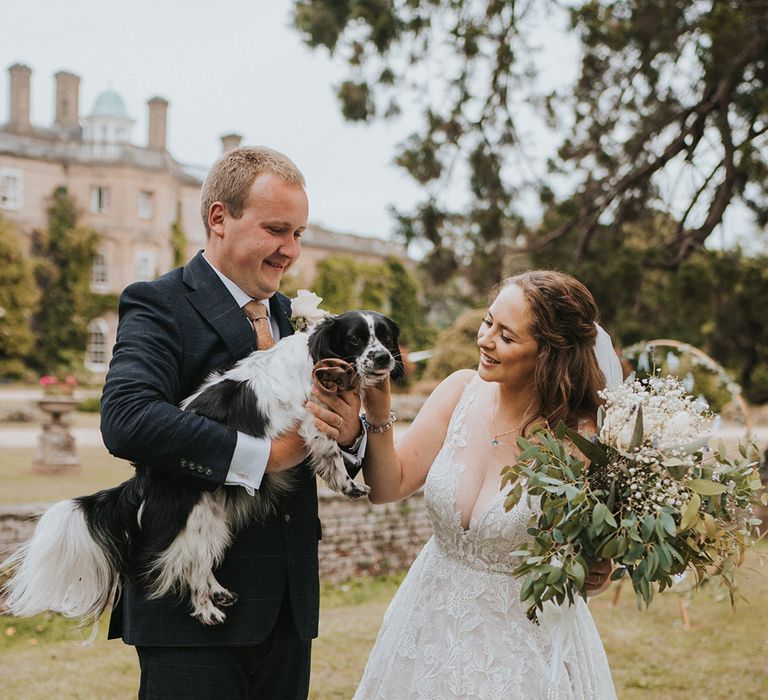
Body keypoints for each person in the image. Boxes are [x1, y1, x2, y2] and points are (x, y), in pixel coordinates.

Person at [100, 146, 363, 699]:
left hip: (290, 611)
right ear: (219, 218)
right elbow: (128, 419)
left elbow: (325, 438)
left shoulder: (297, 318)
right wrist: (263, 457)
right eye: (276, 230)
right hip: (190, 614)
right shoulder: (159, 303)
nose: (290, 250)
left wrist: (349, 432)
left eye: (299, 234)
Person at [352, 270, 621, 699]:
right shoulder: (458, 390)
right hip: (427, 627)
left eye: (507, 336)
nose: (485, 340)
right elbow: (387, 485)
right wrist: (378, 410)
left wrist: (601, 567)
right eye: (487, 322)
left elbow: (594, 558)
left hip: (522, 650)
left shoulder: (584, 439)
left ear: (548, 353)